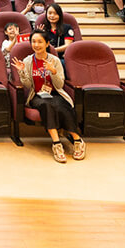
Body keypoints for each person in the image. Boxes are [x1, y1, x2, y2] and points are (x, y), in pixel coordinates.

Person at [16, 32, 85, 163]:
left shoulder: (55, 60)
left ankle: (77, 140)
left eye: (40, 42)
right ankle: (56, 144)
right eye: (34, 42)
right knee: (46, 105)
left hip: (55, 93)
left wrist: (53, 72)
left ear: (47, 43)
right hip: (37, 96)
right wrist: (22, 72)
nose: (36, 45)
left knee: (61, 105)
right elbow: (28, 85)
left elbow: (60, 84)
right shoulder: (28, 61)